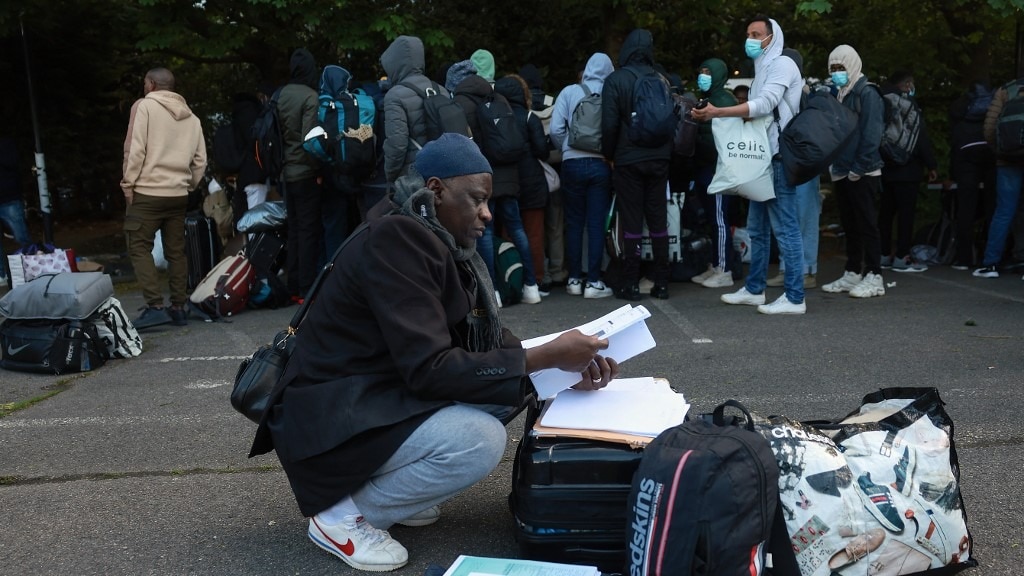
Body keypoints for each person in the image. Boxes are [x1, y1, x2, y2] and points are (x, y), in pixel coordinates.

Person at [248, 133, 618, 573]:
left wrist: (563, 362)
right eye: (477, 200)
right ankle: (341, 516)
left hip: (370, 395)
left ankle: (391, 491)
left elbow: (479, 341)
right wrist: (544, 357)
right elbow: (430, 370)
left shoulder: (425, 232)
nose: (486, 214)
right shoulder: (396, 241)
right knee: (480, 440)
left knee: (510, 387)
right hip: (330, 415)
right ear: (437, 190)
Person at [691, 16, 807, 314]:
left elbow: (765, 105)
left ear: (772, 37)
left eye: (757, 34)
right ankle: (755, 289)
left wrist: (719, 112)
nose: (751, 39)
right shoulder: (763, 69)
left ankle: (795, 297)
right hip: (763, 160)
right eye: (748, 34)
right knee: (758, 227)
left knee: (786, 228)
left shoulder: (781, 64)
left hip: (780, 157)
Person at [120, 67, 207, 328]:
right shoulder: (192, 117)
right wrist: (188, 184)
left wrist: (128, 183)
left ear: (151, 84)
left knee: (138, 245)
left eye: (145, 83)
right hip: (178, 194)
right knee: (176, 251)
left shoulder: (145, 107)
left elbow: (135, 149)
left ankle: (155, 305)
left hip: (147, 191)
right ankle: (179, 307)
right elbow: (201, 160)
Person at [453, 65, 540, 305]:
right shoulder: (500, 98)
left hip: (485, 178)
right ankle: (531, 287)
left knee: (486, 233)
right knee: (517, 228)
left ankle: (494, 293)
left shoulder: (462, 103)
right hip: (510, 176)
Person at [602, 28, 674, 301]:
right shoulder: (662, 79)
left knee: (632, 222)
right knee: (658, 221)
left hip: (628, 158)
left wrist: (610, 154)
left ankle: (630, 282)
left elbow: (608, 125)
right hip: (660, 158)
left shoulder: (616, 80)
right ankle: (662, 282)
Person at [818, 45, 887, 298]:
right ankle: (853, 272)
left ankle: (874, 275)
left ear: (852, 65)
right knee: (851, 224)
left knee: (867, 224)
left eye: (840, 67)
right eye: (832, 68)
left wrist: (858, 167)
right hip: (842, 169)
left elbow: (872, 134)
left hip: (862, 170)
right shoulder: (841, 93)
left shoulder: (867, 93)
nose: (837, 73)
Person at [549, 52, 615, 299]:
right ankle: (594, 282)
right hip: (600, 164)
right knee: (596, 224)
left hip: (571, 163)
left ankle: (574, 279)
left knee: (574, 223)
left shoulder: (568, 92)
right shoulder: (611, 92)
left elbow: (555, 129)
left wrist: (568, 146)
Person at [766, 48, 822, 289]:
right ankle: (788, 268)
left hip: (802, 162)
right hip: (788, 161)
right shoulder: (787, 91)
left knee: (804, 217)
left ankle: (808, 270)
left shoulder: (807, 95)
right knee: (786, 217)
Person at [495, 74, 550, 300]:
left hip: (507, 183)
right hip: (533, 183)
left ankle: (512, 280)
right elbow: (542, 150)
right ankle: (535, 281)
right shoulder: (529, 117)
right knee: (534, 234)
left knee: (507, 234)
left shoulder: (496, 118)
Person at [879, 70, 938, 273]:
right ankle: (902, 256)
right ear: (905, 84)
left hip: (885, 167)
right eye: (910, 83)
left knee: (885, 214)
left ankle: (883, 254)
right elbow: (920, 138)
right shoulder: (909, 106)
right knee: (906, 215)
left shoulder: (880, 100)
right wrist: (931, 165)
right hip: (908, 169)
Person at [688, 57, 738, 289]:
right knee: (712, 218)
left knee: (719, 220)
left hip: (718, 169)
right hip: (706, 167)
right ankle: (716, 264)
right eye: (701, 71)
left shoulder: (724, 101)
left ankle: (724, 269)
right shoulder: (708, 99)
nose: (703, 76)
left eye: (708, 72)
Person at [278, 48, 323, 301]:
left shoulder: (280, 95)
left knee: (293, 230)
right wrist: (318, 170)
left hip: (286, 172)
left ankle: (291, 285)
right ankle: (305, 288)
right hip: (306, 172)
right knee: (308, 231)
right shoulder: (310, 97)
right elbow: (310, 139)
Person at [973, 77, 1024, 279]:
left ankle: (990, 264)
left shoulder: (1006, 90)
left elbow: (989, 127)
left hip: (1007, 161)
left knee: (1003, 212)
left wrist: (1000, 151)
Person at [380, 35, 445, 184]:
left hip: (414, 176)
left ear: (394, 64)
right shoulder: (440, 89)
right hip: (443, 173)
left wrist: (391, 175)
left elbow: (397, 144)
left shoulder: (394, 95)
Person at [949, 80, 996, 270]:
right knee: (993, 207)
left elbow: (953, 138)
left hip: (965, 154)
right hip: (990, 151)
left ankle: (964, 258)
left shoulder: (960, 106)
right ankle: (992, 257)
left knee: (965, 208)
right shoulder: (994, 102)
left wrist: (953, 172)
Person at [0, 136, 32, 287]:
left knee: (21, 235)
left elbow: (12, 164)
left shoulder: (6, 143)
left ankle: (30, 268)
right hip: (9, 195)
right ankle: (1, 275)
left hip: (8, 196)